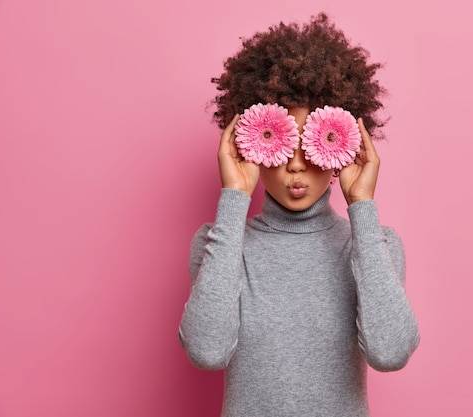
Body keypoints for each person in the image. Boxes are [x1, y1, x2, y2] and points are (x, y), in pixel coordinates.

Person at [179, 12, 420, 417]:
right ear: (250, 144)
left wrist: (362, 205)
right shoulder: (218, 245)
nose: (296, 166)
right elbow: (207, 351)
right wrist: (235, 195)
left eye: (312, 143)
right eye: (280, 142)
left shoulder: (374, 245)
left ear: (343, 144)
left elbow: (391, 352)